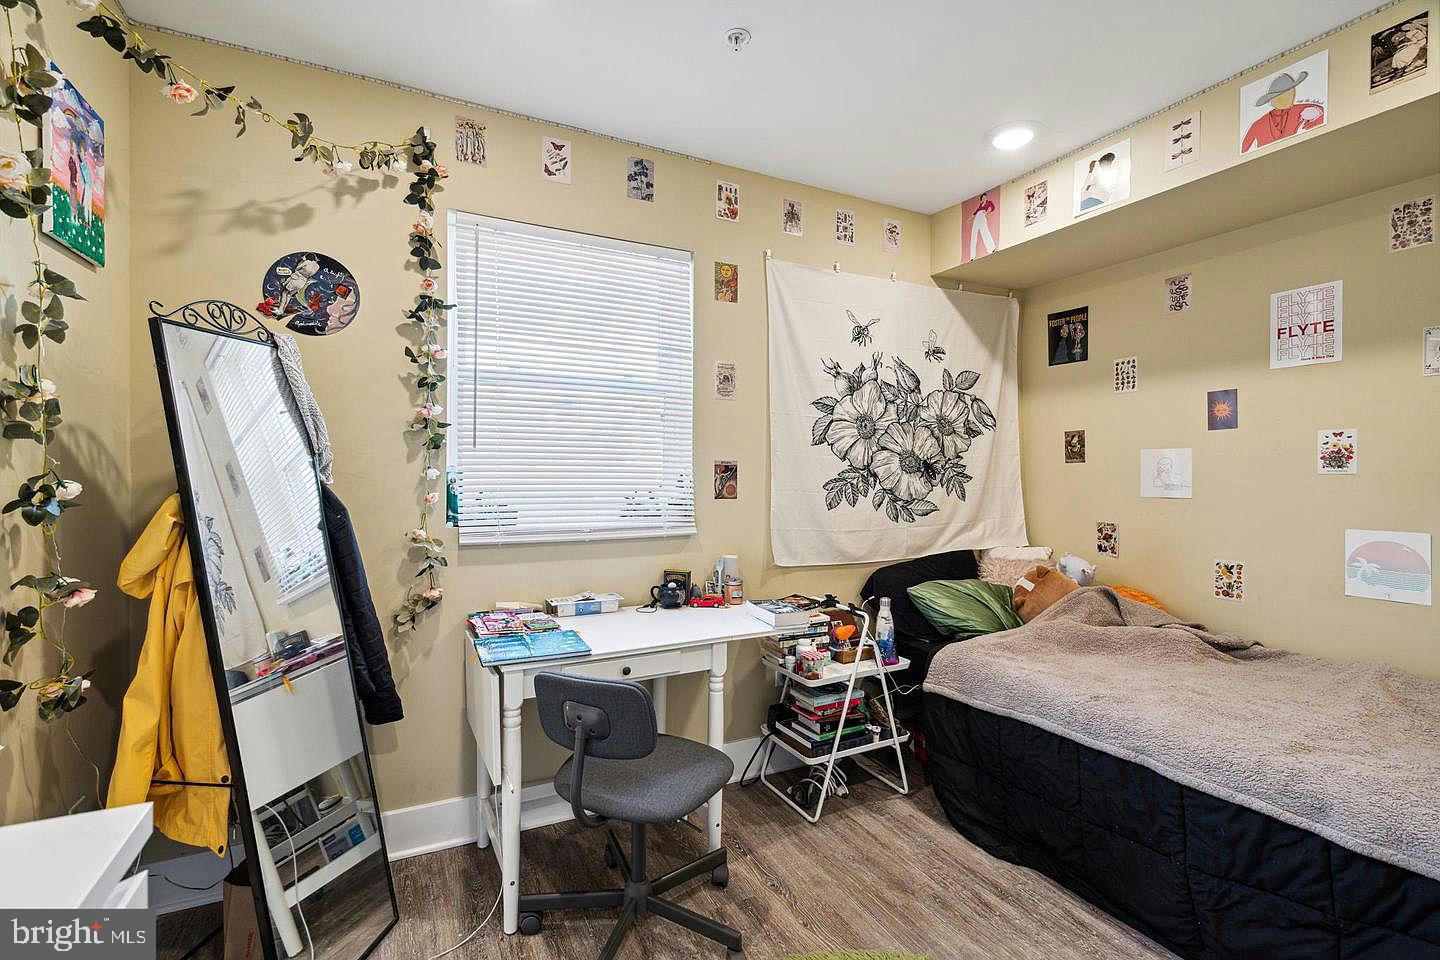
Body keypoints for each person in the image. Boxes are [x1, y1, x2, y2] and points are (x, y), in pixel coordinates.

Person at [1242, 70, 1325, 152]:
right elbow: (1244, 151)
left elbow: (1320, 112)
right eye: (1287, 94)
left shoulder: (1299, 110)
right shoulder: (1258, 125)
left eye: (1292, 92)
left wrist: (1316, 114)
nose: (1292, 97)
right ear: (1273, 99)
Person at [968, 192, 997, 259]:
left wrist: (987, 212)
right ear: (981, 199)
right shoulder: (980, 205)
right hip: (977, 217)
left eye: (985, 197)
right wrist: (970, 218)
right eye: (983, 197)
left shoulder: (989, 202)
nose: (984, 198)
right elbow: (976, 212)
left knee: (985, 231)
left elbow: (993, 208)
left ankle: (992, 248)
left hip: (982, 216)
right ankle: (972, 256)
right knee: (973, 234)